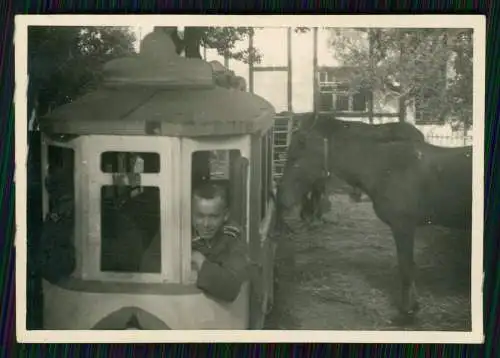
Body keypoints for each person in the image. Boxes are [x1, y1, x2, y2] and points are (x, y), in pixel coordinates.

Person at [140, 180, 251, 303]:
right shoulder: (175, 232)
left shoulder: (232, 236)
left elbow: (231, 287)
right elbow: (147, 267)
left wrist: (199, 260)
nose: (206, 224)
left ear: (225, 215)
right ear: (190, 213)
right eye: (200, 216)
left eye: (214, 216)